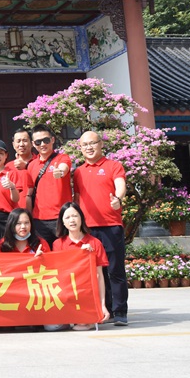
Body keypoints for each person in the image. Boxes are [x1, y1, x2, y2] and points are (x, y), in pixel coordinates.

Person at [72, 130, 128, 326]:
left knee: (115, 270)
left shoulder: (113, 166)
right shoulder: (78, 171)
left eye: (92, 143)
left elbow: (120, 185)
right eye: (85, 145)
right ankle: (105, 309)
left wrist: (118, 199)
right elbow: (77, 198)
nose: (89, 147)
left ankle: (120, 311)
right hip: (88, 229)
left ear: (101, 144)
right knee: (97, 272)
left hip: (110, 225)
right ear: (80, 148)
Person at [53, 203, 111, 330]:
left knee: (86, 322)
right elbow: (59, 274)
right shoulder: (58, 244)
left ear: (81, 218)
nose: (72, 220)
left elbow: (99, 276)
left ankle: (85, 319)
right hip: (67, 293)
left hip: (87, 293)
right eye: (67, 217)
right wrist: (79, 255)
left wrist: (102, 305)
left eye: (75, 216)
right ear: (62, 222)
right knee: (51, 327)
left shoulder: (95, 243)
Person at [26, 124, 73, 247]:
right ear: (33, 144)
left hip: (62, 217)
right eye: (38, 142)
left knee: (64, 252)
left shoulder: (62, 158)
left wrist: (60, 172)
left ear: (52, 140)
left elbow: (64, 167)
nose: (42, 144)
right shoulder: (31, 165)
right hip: (39, 219)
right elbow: (29, 193)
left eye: (46, 140)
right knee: (43, 253)